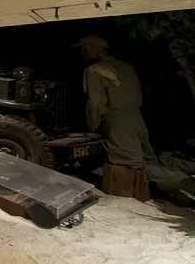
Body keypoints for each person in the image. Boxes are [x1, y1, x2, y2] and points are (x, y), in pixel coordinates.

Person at [76, 35, 195, 202]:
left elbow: (95, 102)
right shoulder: (127, 67)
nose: (82, 53)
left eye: (85, 48)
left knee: (132, 165)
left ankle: (188, 184)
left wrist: (92, 125)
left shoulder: (96, 69)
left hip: (120, 123)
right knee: (151, 160)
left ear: (97, 47)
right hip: (137, 119)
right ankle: (191, 167)